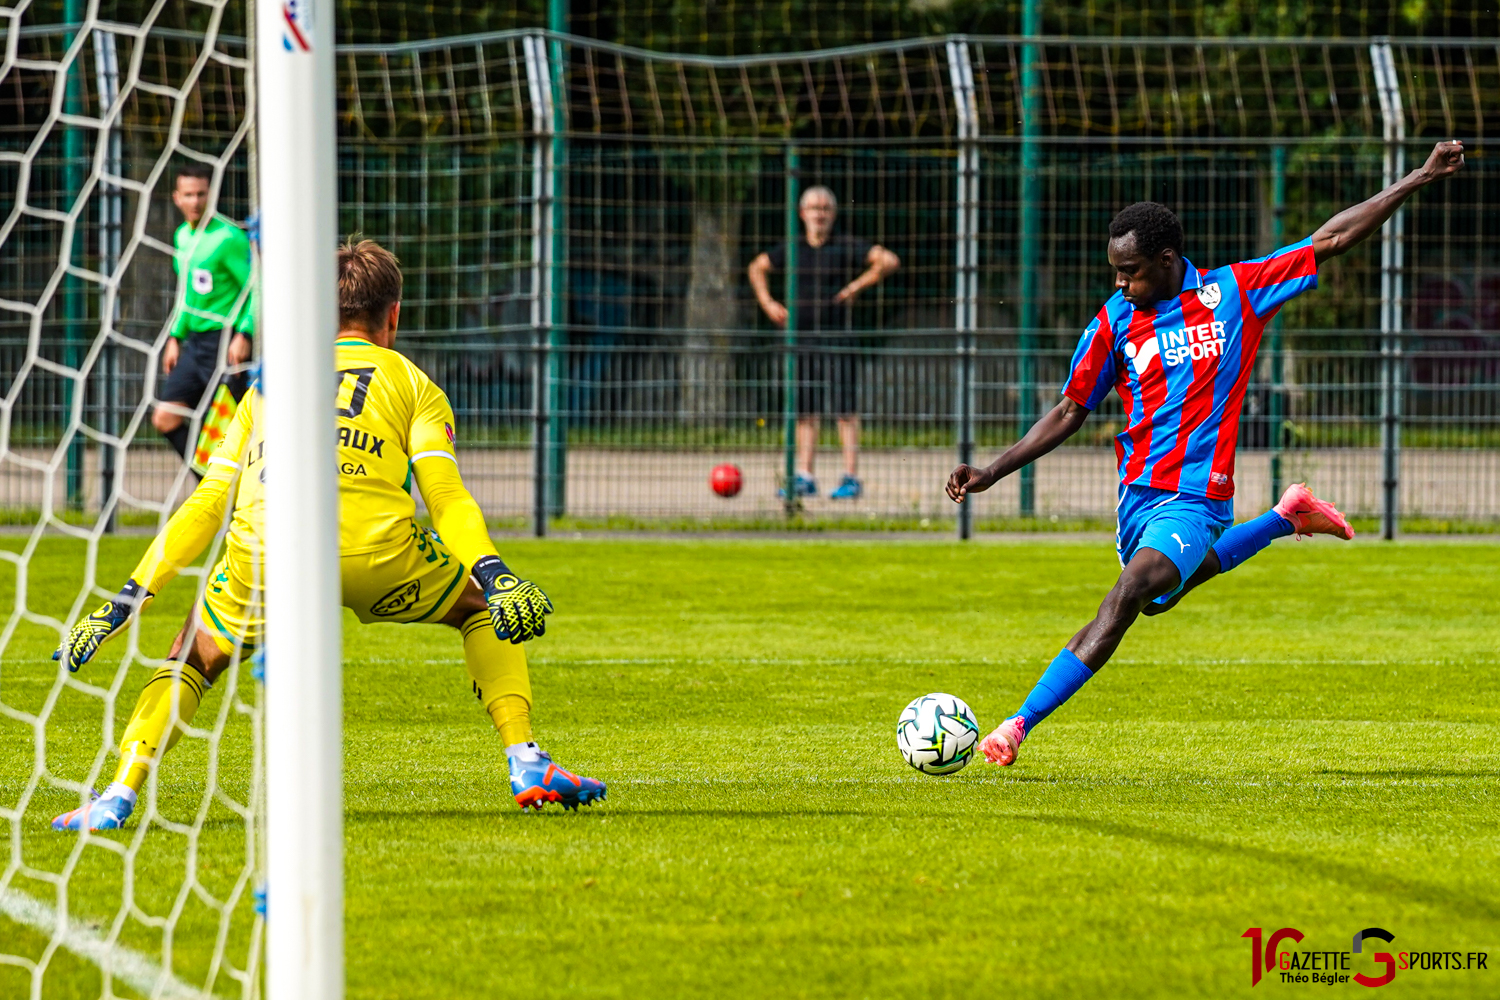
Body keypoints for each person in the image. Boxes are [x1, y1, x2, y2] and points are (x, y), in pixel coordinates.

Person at [52, 239, 605, 831]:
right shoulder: (415, 383)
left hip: (269, 555)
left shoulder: (268, 385)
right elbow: (445, 496)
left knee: (193, 651)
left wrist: (129, 596)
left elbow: (208, 502)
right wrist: (494, 575)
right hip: (380, 553)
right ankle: (524, 759)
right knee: (479, 609)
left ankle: (117, 795)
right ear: (394, 313)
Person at [946, 140, 1467, 767]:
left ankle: (1019, 723)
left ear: (1167, 259)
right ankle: (1285, 517)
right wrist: (992, 471)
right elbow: (1069, 409)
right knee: (1162, 594)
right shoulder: (1115, 319)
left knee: (1132, 592)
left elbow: (1328, 239)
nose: (1119, 280)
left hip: (1196, 497)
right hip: (1138, 498)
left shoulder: (1235, 292)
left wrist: (1416, 177)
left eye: (1129, 270)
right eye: (1114, 269)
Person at [748, 186, 899, 500]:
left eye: (826, 208)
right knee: (805, 409)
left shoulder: (845, 245)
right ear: (802, 214)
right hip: (800, 337)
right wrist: (768, 303)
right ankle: (805, 475)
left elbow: (887, 260)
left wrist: (856, 286)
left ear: (833, 214)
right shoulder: (792, 248)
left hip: (838, 337)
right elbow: (756, 267)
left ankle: (851, 477)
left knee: (845, 409)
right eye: (814, 208)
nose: (820, 214)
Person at [154, 164, 255, 466]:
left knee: (230, 430)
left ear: (211, 195)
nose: (195, 201)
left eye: (201, 194)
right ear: (177, 198)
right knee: (165, 417)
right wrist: (174, 336)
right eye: (189, 194)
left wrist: (244, 333)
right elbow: (186, 295)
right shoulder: (182, 237)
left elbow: (257, 288)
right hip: (194, 345)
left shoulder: (228, 238)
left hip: (225, 345)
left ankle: (238, 497)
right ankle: (213, 490)